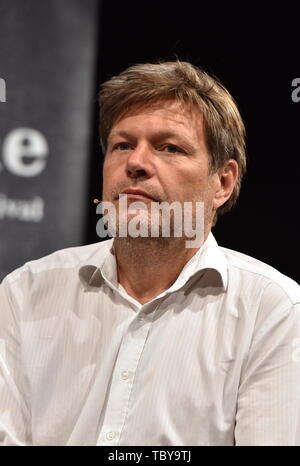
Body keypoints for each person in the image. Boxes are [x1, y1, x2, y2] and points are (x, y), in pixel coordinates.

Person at [0, 60, 299, 446]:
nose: (136, 163)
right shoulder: (25, 292)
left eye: (168, 147)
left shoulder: (273, 311)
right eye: (123, 145)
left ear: (222, 182)